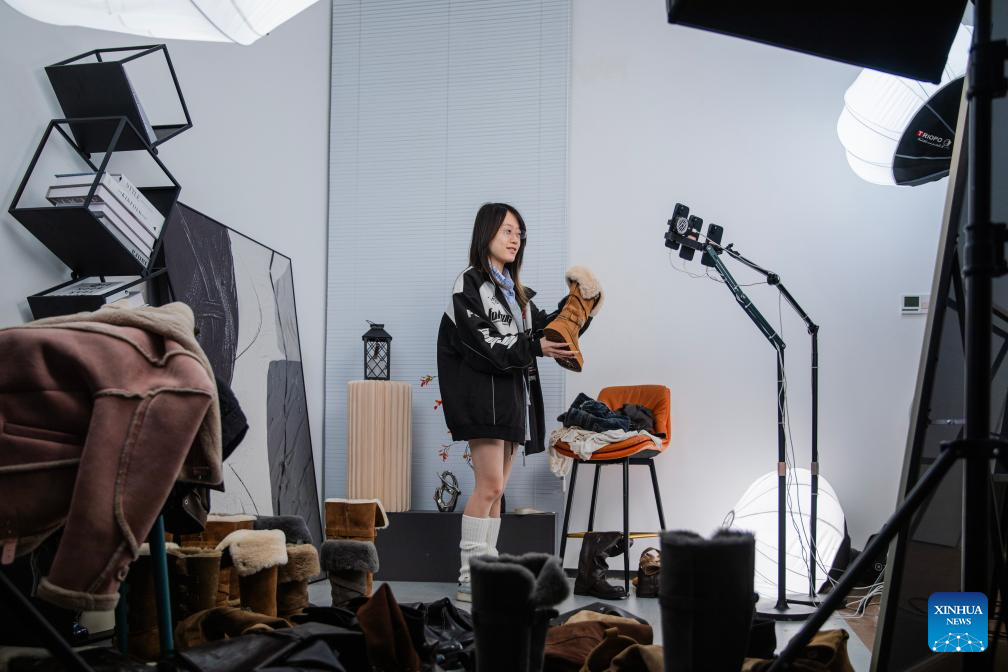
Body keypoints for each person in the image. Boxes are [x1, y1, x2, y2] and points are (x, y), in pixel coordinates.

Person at [436, 202, 590, 601]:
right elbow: (481, 344)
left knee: (496, 490)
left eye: (519, 232)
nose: (515, 238)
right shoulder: (469, 284)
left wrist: (580, 304)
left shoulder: (515, 295)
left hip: (510, 401)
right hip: (481, 399)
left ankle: (486, 571)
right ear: (485, 232)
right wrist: (534, 346)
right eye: (507, 230)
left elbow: (546, 332)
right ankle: (471, 578)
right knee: (489, 486)